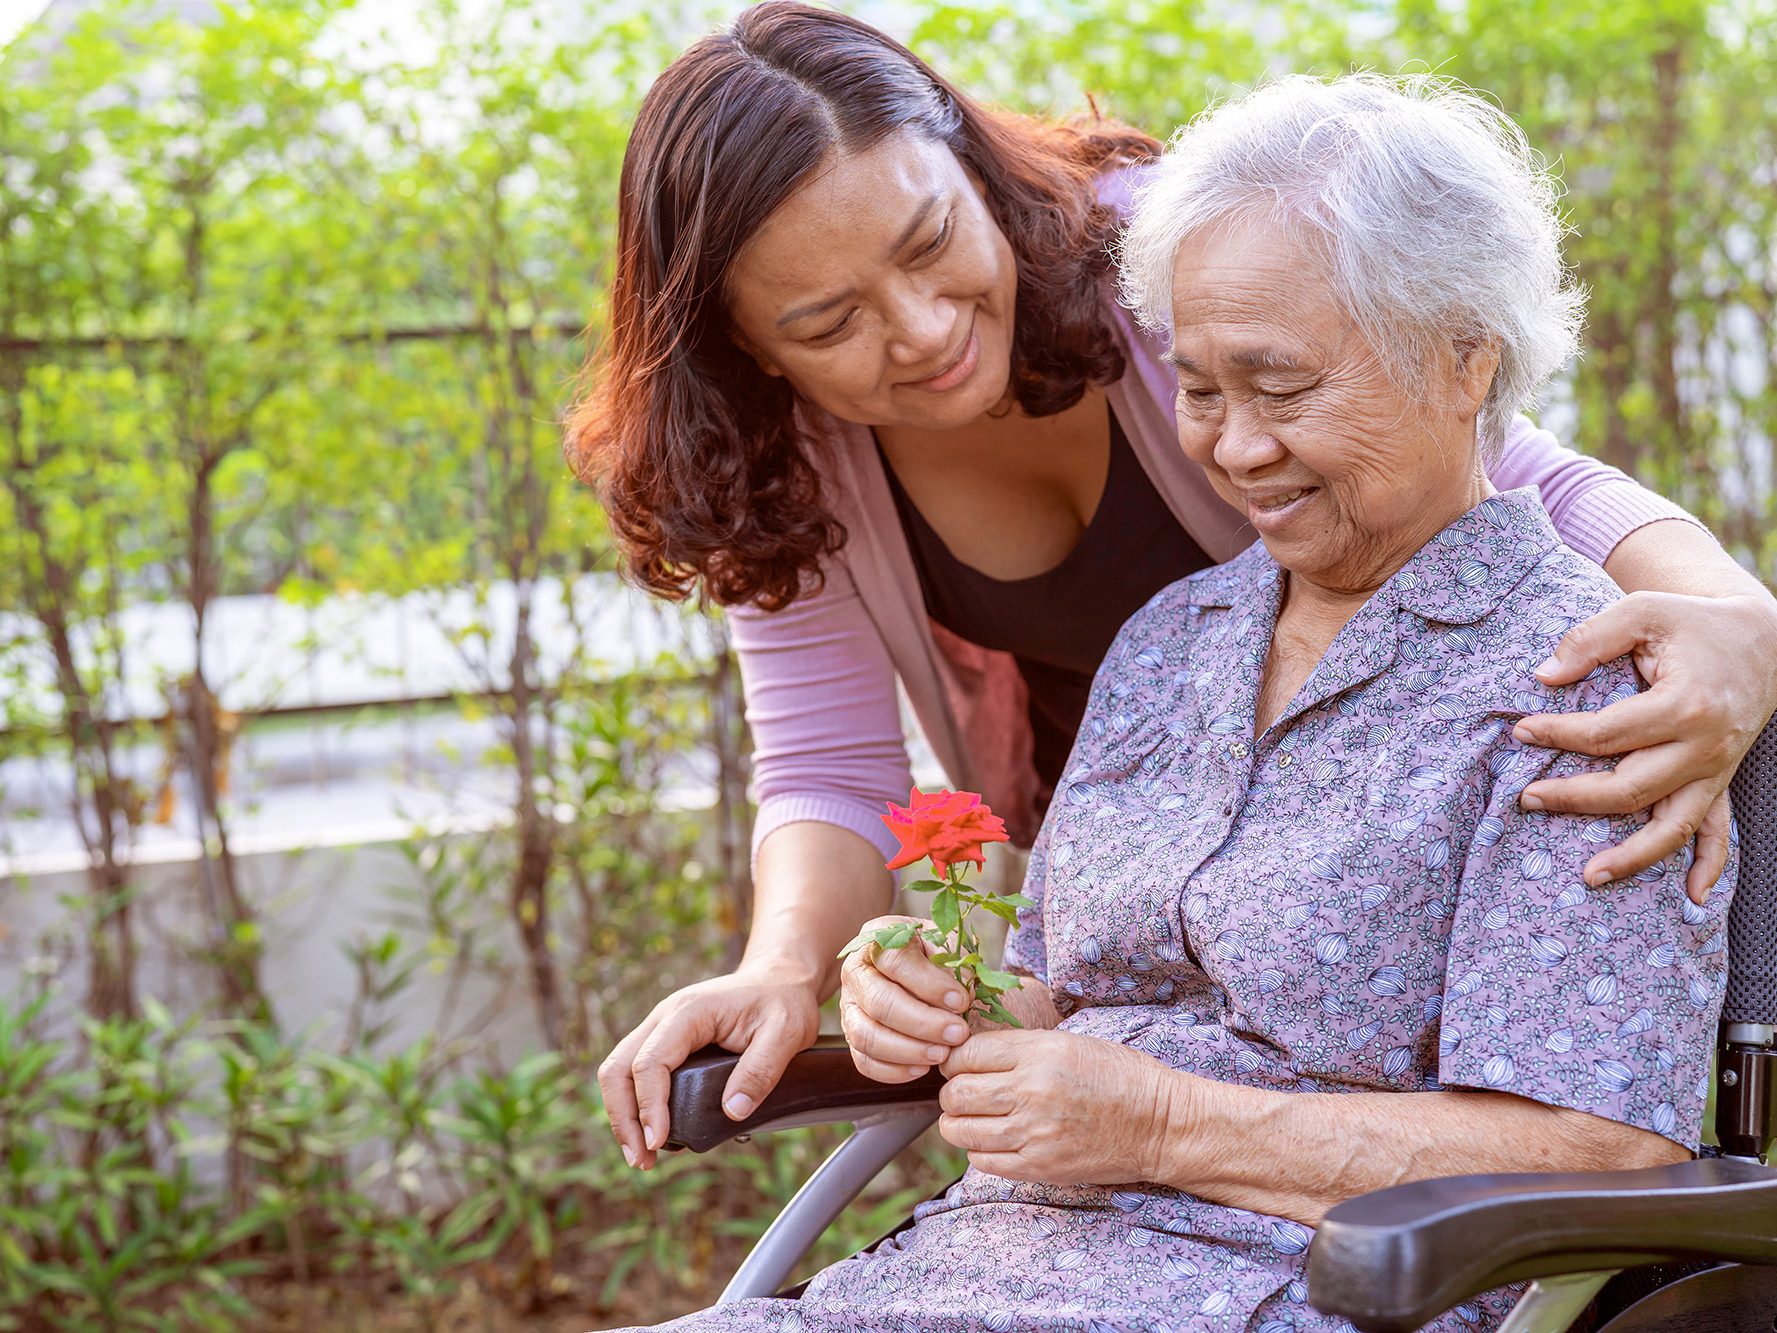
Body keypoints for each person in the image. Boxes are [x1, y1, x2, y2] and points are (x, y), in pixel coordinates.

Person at [600, 72, 1738, 1333]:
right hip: (969, 1276)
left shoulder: (1580, 691)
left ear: (1462, 358)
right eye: (1199, 388)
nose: (1235, 447)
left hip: (1283, 1293)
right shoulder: (1168, 646)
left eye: (1284, 388)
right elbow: (1062, 987)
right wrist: (920, 995)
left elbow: (1600, 1150)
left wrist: (1155, 1120)